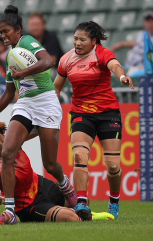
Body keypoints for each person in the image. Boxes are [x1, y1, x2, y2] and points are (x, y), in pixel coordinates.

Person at [0, 5, 78, 225]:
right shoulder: (10, 56)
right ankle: (11, 211)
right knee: (7, 152)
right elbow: (8, 94)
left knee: (50, 164)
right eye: (0, 33)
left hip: (46, 102)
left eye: (6, 32)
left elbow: (49, 61)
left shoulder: (27, 42)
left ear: (18, 30)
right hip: (25, 104)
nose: (3, 36)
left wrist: (22, 72)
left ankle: (65, 185)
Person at [53, 21, 134, 219]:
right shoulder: (66, 60)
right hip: (81, 113)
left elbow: (114, 66)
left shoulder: (101, 53)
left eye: (82, 39)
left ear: (93, 41)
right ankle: (82, 203)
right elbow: (56, 86)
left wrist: (122, 77)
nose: (77, 43)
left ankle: (113, 200)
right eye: (75, 39)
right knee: (79, 156)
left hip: (108, 113)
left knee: (113, 165)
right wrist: (49, 106)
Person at [0, 118, 114, 224]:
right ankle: (84, 217)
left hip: (41, 184)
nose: (0, 143)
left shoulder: (10, 141)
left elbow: (37, 131)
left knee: (84, 202)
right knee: (70, 217)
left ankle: (84, 214)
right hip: (29, 206)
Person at [110, 10, 153, 77]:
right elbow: (136, 43)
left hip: (141, 68)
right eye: (148, 21)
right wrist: (121, 44)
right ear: (144, 24)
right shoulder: (141, 34)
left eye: (152, 21)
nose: (150, 23)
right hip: (129, 66)